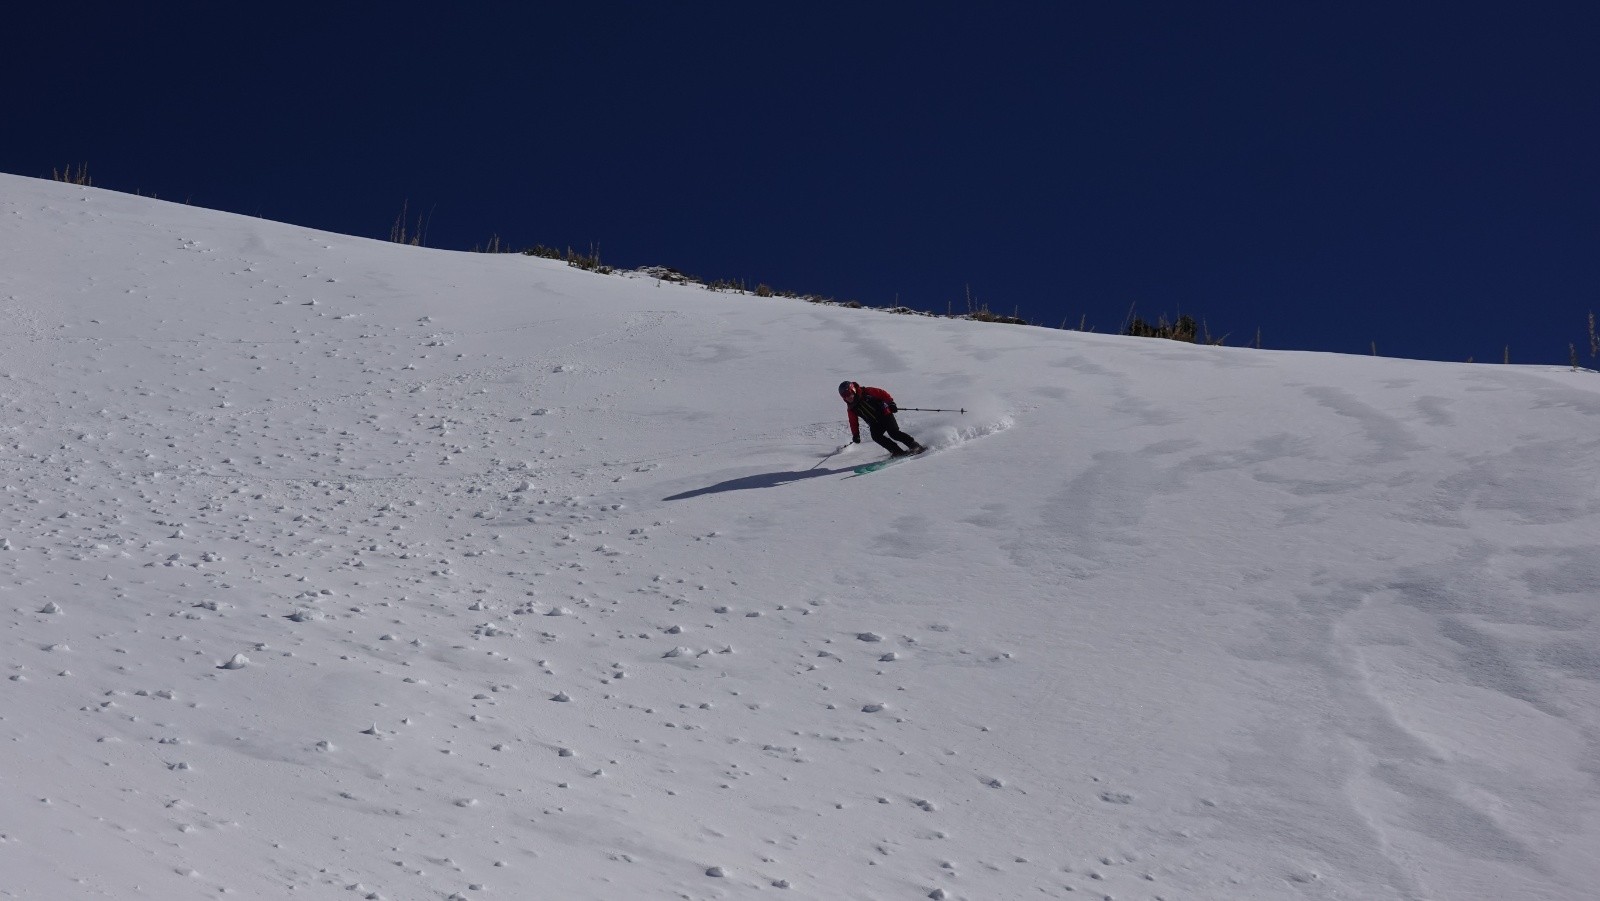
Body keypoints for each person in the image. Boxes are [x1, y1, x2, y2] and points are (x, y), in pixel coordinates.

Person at [838, 380, 925, 457]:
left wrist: (891, 403)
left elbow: (882, 393)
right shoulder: (851, 408)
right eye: (844, 396)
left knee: (894, 433)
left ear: (853, 390)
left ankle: (914, 446)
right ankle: (896, 451)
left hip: (885, 415)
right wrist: (856, 435)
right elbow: (853, 422)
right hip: (874, 423)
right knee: (876, 436)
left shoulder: (866, 392)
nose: (847, 397)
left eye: (848, 394)